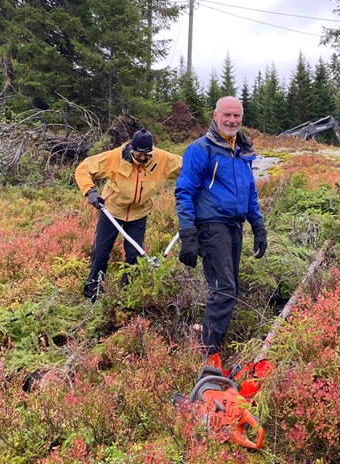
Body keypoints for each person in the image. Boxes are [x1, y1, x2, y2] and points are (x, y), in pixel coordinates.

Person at [175, 96, 268, 356]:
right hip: (210, 224)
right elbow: (184, 191)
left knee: (230, 288)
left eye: (237, 116)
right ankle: (208, 353)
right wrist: (188, 233)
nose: (232, 120)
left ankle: (209, 339)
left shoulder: (242, 150)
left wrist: (258, 226)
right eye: (227, 115)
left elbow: (250, 191)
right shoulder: (201, 149)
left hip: (234, 226)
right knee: (224, 289)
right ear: (215, 116)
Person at [75, 128, 182, 301]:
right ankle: (93, 291)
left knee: (135, 256)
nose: (141, 158)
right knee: (101, 252)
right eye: (138, 154)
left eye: (145, 155)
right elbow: (84, 168)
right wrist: (90, 191)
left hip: (139, 212)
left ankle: (127, 293)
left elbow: (189, 168)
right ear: (131, 149)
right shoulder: (114, 157)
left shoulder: (164, 159)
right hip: (112, 210)